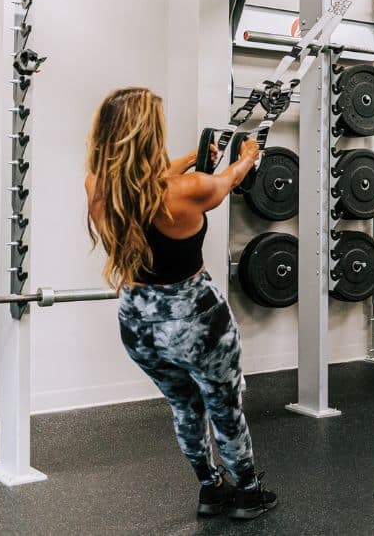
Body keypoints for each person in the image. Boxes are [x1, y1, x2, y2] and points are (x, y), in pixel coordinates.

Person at [84, 87, 278, 519]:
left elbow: (142, 182)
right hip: (195, 321)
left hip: (138, 323)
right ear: (148, 135)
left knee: (183, 406)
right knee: (223, 405)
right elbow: (228, 179)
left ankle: (211, 490)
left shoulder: (99, 185)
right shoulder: (187, 193)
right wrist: (249, 153)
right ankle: (248, 492)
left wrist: (193, 155)